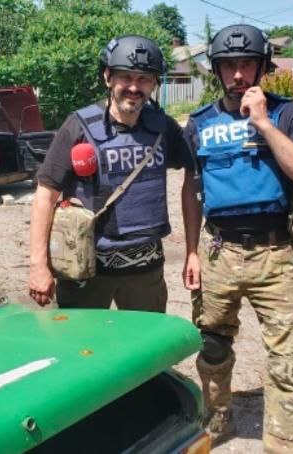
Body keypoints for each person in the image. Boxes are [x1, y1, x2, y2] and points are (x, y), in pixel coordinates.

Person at [182, 24, 293, 452]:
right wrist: (190, 251)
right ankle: (216, 418)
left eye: (247, 64)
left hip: (274, 253)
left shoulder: (290, 115)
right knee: (212, 343)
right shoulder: (200, 123)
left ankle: (286, 443)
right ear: (217, 70)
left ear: (263, 67)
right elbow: (191, 189)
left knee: (286, 358)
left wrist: (262, 123)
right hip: (218, 251)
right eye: (229, 65)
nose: (238, 74)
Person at [29, 35, 199, 312]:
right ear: (108, 77)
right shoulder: (78, 126)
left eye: (144, 79)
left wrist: (193, 251)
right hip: (85, 269)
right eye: (126, 77)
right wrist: (38, 265)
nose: (134, 87)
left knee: (146, 340)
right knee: (82, 340)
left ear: (154, 83)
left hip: (146, 271)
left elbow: (195, 174)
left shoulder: (164, 128)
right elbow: (45, 195)